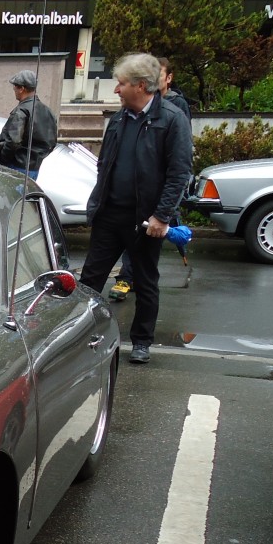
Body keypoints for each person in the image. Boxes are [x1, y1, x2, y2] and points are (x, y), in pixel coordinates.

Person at [79, 52, 193, 365]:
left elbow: (179, 172)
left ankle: (141, 341)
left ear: (141, 86)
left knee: (144, 282)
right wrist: (96, 206)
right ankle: (81, 336)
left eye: (121, 83)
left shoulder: (170, 120)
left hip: (145, 220)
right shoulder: (118, 119)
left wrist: (161, 216)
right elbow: (106, 166)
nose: (116, 90)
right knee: (90, 280)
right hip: (110, 213)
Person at [109, 56, 192, 302]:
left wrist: (164, 212)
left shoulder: (175, 112)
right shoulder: (123, 116)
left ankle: (142, 337)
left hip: (150, 206)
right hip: (119, 208)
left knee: (146, 272)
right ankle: (125, 277)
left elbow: (179, 165)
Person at [0, 70, 56, 178]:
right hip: (34, 168)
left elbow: (13, 141)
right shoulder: (48, 111)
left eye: (15, 86)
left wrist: (3, 160)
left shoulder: (21, 111)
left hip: (16, 167)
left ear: (21, 89)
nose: (13, 89)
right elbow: (51, 143)